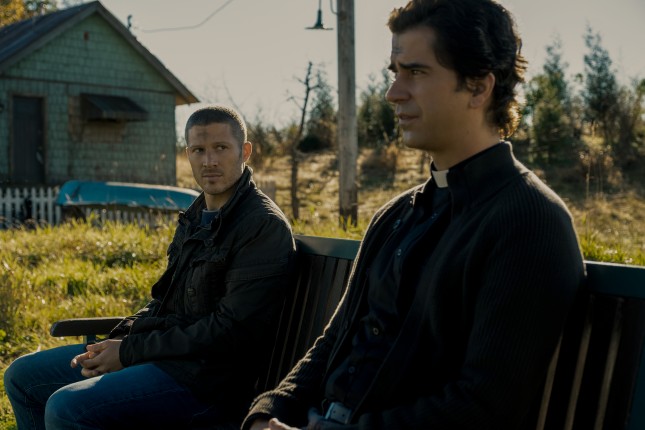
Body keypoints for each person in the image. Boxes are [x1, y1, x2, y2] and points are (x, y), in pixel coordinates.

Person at [242, 0, 585, 429]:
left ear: (478, 88)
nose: (393, 92)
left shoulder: (529, 222)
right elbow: (335, 340)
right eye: (395, 73)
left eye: (416, 72)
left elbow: (483, 407)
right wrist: (269, 412)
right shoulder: (395, 215)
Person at [4, 105, 296, 429]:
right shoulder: (197, 216)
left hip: (209, 384)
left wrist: (130, 352)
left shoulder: (261, 226)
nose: (209, 161)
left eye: (221, 148)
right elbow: (165, 301)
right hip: (166, 360)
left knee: (67, 408)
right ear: (188, 154)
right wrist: (119, 342)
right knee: (22, 376)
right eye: (199, 150)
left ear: (245, 151)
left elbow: (230, 331)